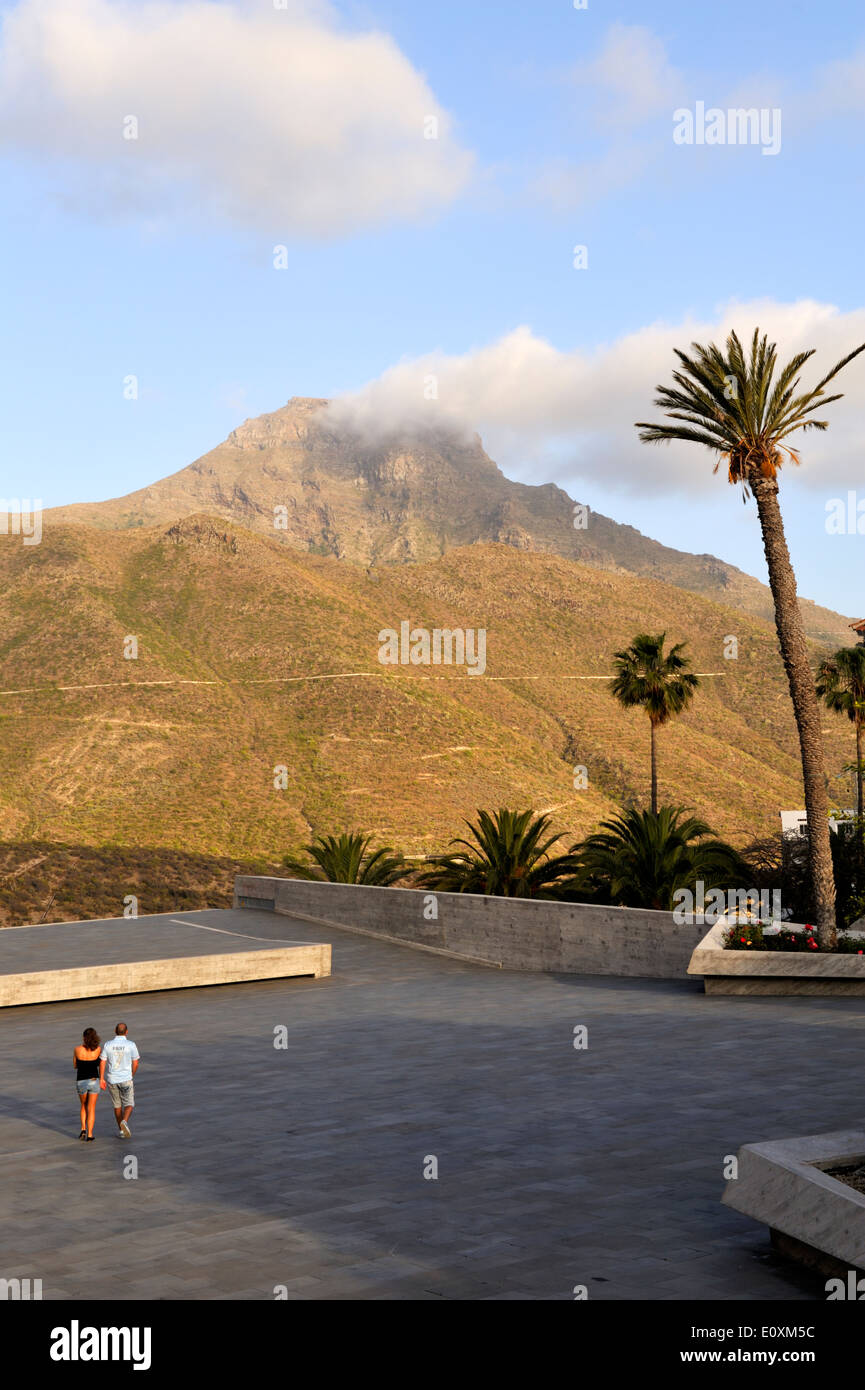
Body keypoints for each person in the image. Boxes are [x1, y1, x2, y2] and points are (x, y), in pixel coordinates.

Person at [99, 1022, 140, 1138]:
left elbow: (102, 1061)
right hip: (126, 1079)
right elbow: (135, 1063)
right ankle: (125, 1121)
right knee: (129, 1104)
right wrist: (131, 1074)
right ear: (126, 1032)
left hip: (112, 1080)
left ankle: (121, 1131)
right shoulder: (131, 1044)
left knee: (117, 1106)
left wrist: (101, 1078)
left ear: (115, 1031)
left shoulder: (108, 1044)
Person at [73, 1027, 102, 1141]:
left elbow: (75, 1065)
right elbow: (100, 1064)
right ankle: (90, 1134)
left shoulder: (77, 1049)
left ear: (83, 1038)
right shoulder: (98, 1049)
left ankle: (83, 1129)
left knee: (83, 1106)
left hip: (81, 1081)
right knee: (91, 1108)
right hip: (94, 1080)